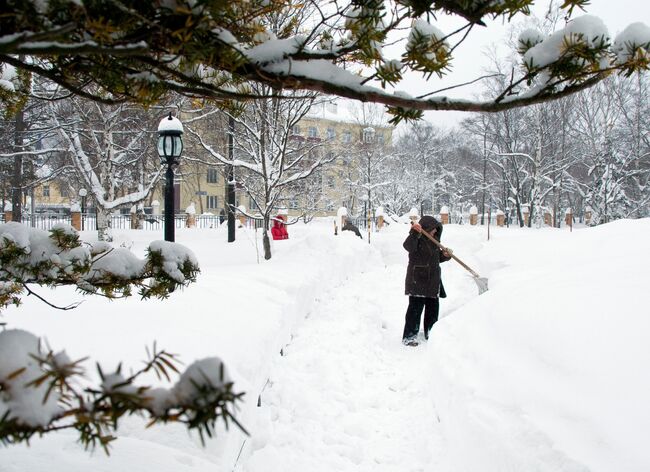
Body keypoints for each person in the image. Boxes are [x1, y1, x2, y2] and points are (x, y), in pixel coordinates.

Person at [402, 215, 452, 346]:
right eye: (433, 229)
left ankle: (431, 332)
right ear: (426, 228)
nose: (435, 231)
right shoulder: (416, 239)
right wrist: (414, 233)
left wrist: (444, 256)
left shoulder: (434, 240)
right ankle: (409, 336)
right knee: (415, 309)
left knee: (433, 309)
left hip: (433, 280)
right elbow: (408, 246)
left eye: (437, 229)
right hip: (418, 279)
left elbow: (434, 259)